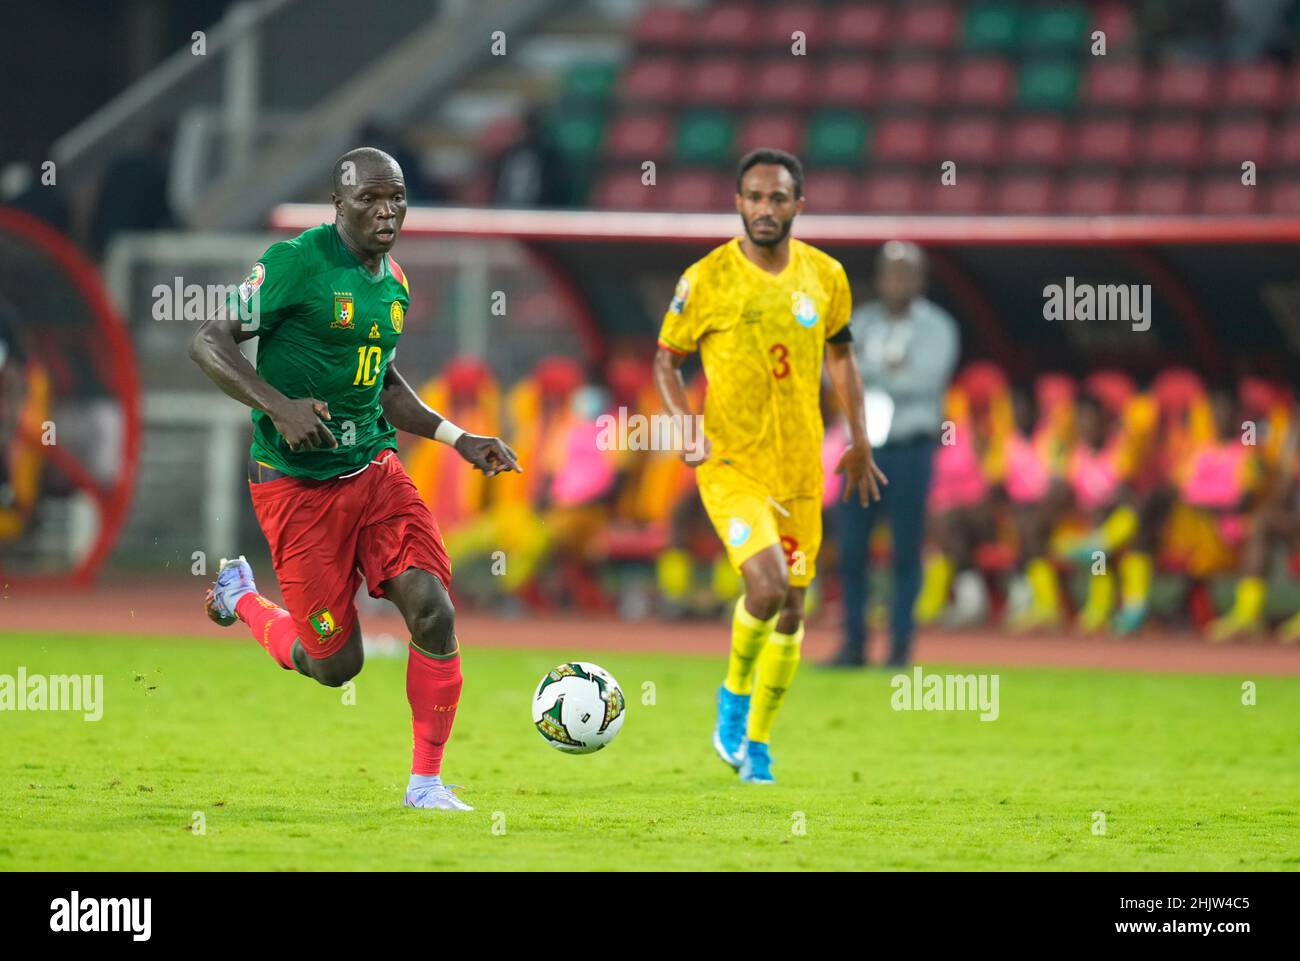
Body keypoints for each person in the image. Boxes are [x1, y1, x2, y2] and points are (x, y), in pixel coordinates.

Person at [188, 147, 521, 811]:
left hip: (373, 469)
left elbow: (383, 385)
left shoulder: (393, 283)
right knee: (335, 665)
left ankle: (425, 784)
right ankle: (243, 597)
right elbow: (208, 341)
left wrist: (458, 438)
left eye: (396, 196)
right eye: (371, 198)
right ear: (338, 205)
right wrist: (277, 405)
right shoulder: (294, 264)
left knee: (433, 608)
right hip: (296, 486)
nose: (387, 209)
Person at [653, 148, 886, 784]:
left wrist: (860, 439)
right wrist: (684, 422)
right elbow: (666, 361)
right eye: (754, 197)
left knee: (793, 610)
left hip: (802, 468)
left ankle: (757, 742)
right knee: (766, 586)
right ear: (738, 202)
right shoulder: (706, 279)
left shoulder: (826, 276)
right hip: (731, 463)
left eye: (777, 198)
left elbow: (841, 358)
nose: (764, 208)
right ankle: (732, 700)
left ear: (797, 206)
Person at [826, 241, 958, 668]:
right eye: (890, 272)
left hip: (908, 450)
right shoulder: (861, 320)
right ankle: (853, 644)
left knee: (904, 552)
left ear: (920, 280)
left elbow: (923, 379)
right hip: (861, 450)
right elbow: (831, 373)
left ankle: (900, 647)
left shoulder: (938, 326)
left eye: (906, 273)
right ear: (879, 278)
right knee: (851, 551)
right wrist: (886, 369)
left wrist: (866, 369)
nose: (896, 281)